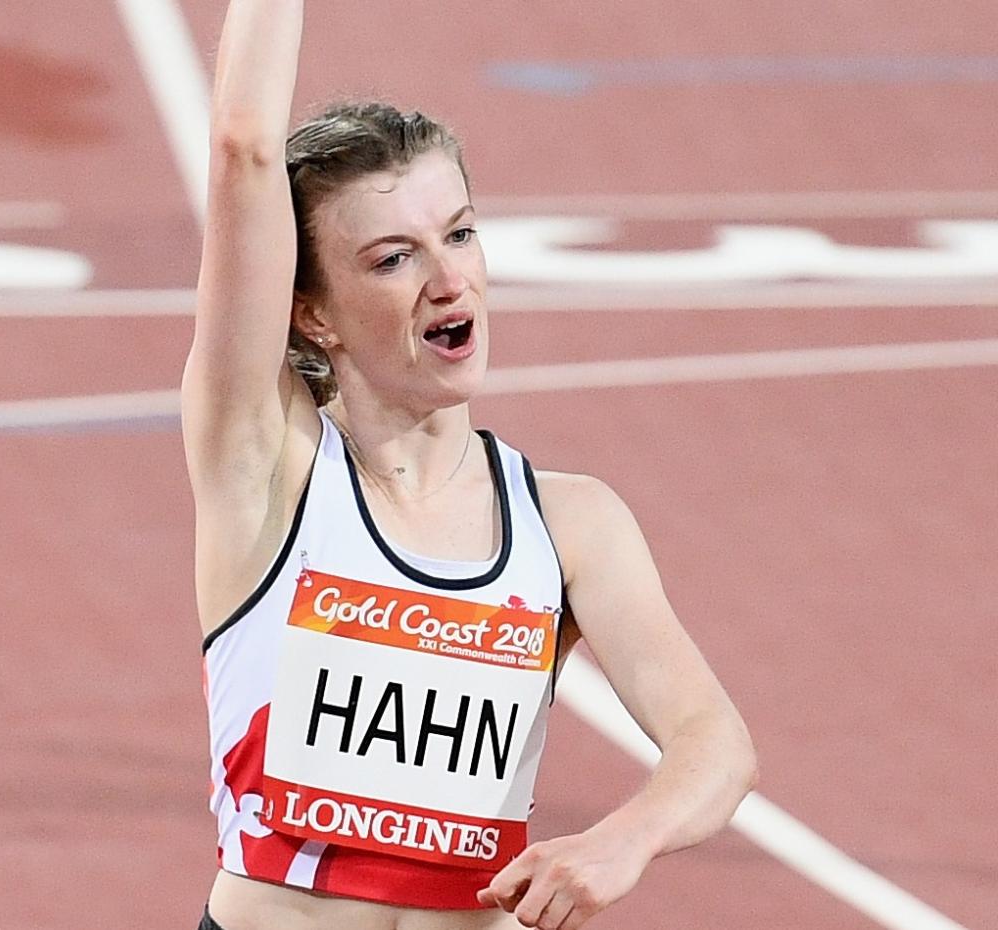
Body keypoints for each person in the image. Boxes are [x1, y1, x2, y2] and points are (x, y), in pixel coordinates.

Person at [181, 2, 758, 928]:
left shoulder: (568, 524)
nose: (449, 281)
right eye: (392, 257)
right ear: (314, 314)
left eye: (459, 233)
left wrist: (625, 837)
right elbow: (245, 145)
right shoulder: (269, 468)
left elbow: (715, 743)